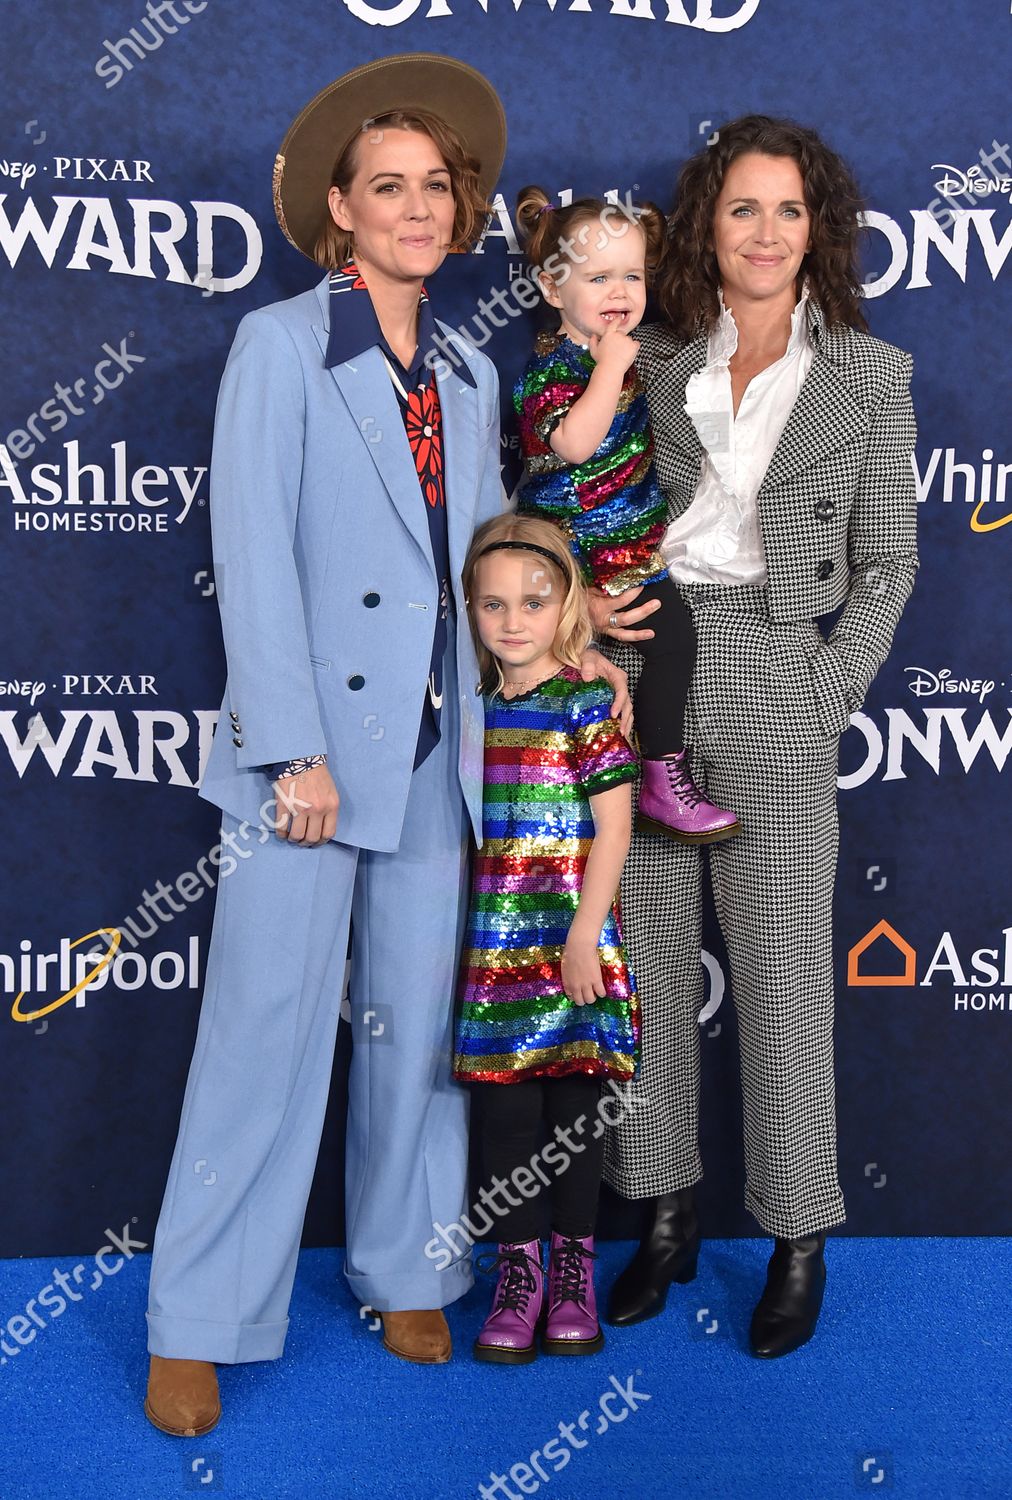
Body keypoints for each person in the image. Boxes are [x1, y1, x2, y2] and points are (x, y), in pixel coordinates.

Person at [142, 54, 631, 1437]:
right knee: (263, 1031)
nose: (419, 208)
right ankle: (199, 1312)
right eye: (389, 188)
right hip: (311, 760)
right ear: (339, 215)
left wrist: (572, 621)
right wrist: (291, 749)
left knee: (418, 1028)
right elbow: (251, 553)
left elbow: (487, 556)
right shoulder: (280, 348)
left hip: (438, 749)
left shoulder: (470, 368)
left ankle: (407, 1262)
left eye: (438, 187)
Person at [592, 116, 919, 1357]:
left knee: (783, 986)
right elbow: (581, 500)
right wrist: (594, 603)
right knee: (650, 971)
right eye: (743, 209)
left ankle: (794, 1236)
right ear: (706, 226)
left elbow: (887, 564)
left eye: (790, 211)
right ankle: (665, 1215)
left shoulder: (869, 378)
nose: (767, 233)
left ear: (817, 229)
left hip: (781, 677)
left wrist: (826, 688)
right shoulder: (649, 358)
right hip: (646, 673)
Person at [453, 514, 639, 1363]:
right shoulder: (471, 708)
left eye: (533, 601)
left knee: (574, 1113)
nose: (513, 621)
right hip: (497, 952)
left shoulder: (586, 701)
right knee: (505, 1115)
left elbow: (616, 827)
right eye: (492, 605)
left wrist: (584, 937)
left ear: (568, 600)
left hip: (574, 941)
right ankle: (517, 1272)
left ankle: (572, 1270)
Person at [512, 188, 739, 844]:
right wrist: (611, 366)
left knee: (676, 644)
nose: (620, 291)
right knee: (563, 682)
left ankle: (664, 777)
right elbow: (575, 444)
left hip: (634, 551)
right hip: (567, 562)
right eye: (599, 276)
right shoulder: (551, 371)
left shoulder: (631, 358)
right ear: (553, 289)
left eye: (633, 276)